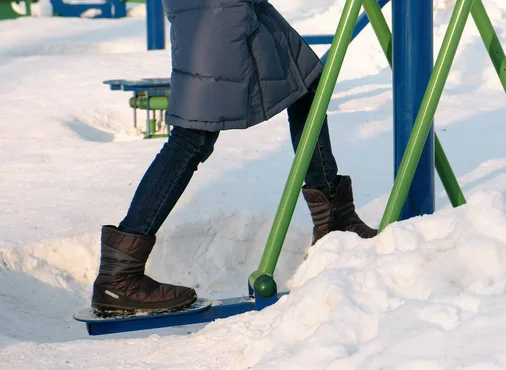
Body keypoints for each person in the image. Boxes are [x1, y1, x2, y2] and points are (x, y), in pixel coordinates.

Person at [91, 0, 377, 313]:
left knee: (305, 81)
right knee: (192, 136)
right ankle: (118, 277)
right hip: (213, 12)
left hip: (231, 9)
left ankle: (333, 215)